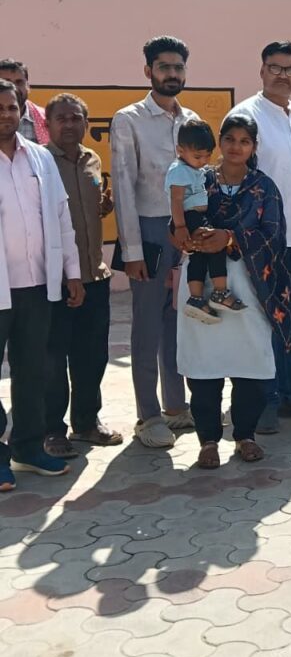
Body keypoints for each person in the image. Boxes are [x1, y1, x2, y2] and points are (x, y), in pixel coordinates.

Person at [176, 115, 291, 469]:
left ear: (254, 147)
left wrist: (230, 238)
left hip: (250, 286)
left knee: (250, 363)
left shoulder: (264, 187)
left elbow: (275, 236)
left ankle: (245, 435)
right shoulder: (198, 179)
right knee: (204, 365)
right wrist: (185, 236)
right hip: (201, 285)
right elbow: (177, 218)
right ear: (219, 141)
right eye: (229, 138)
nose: (236, 147)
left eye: (244, 141)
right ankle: (208, 440)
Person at [231, 40, 291, 432]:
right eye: (275, 67)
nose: (282, 75)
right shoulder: (246, 116)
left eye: (290, 69)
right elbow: (235, 176)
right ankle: (263, 401)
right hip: (263, 241)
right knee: (264, 320)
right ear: (262, 71)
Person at [110, 35, 198, 448]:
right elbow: (124, 187)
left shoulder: (190, 119)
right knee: (146, 326)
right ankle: (148, 416)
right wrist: (131, 251)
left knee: (178, 320)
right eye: (164, 67)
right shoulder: (128, 119)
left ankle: (176, 407)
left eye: (178, 67)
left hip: (186, 234)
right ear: (148, 71)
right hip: (148, 232)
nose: (172, 74)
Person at [0, 80, 84, 491]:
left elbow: (61, 216)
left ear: (21, 111)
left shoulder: (39, 157)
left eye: (11, 107)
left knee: (33, 370)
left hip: (36, 285)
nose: (5, 115)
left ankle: (28, 448)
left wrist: (72, 272)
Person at [43, 94, 121, 458]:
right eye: (61, 118)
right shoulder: (40, 163)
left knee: (92, 357)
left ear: (87, 124)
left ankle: (87, 423)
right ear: (48, 124)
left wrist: (102, 208)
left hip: (94, 274)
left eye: (76, 118)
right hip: (56, 281)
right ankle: (52, 431)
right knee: (53, 359)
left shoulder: (92, 159)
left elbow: (84, 211)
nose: (70, 124)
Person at [167, 120, 246, 323]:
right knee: (214, 245)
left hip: (195, 217)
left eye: (207, 156)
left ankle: (196, 298)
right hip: (190, 217)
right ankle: (220, 292)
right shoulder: (179, 171)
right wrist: (181, 227)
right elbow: (176, 200)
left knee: (199, 255)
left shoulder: (195, 169)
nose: (203, 161)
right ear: (180, 150)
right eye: (197, 156)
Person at [0, 59, 49, 144]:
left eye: (19, 82)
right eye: (7, 83)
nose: (14, 88)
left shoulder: (45, 119)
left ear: (28, 86)